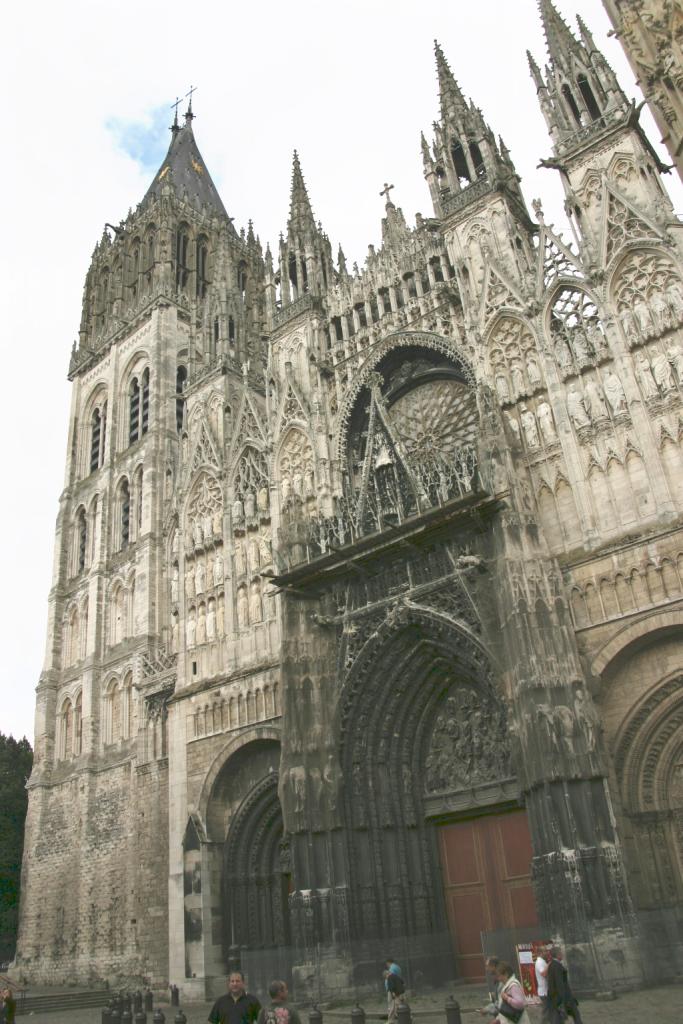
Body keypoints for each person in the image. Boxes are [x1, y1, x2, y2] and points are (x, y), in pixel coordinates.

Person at [546, 947, 583, 1024]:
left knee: (562, 1018)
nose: (562, 954)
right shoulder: (556, 966)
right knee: (575, 1014)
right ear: (558, 954)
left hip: (559, 997)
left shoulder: (554, 965)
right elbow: (559, 984)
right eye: (561, 952)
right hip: (563, 997)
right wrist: (561, 1000)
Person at [383, 958, 406, 1022]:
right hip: (399, 991)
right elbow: (401, 981)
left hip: (393, 991)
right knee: (400, 1005)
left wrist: (392, 992)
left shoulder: (391, 971)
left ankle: (391, 1020)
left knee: (392, 1006)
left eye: (385, 977)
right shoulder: (397, 967)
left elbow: (391, 983)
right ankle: (406, 1017)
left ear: (388, 962)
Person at [533, 948, 549, 1023]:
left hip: (545, 990)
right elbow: (543, 973)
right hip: (544, 991)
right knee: (546, 1011)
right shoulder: (539, 962)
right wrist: (550, 965)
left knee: (547, 1010)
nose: (547, 953)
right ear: (540, 953)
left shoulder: (542, 961)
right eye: (545, 951)